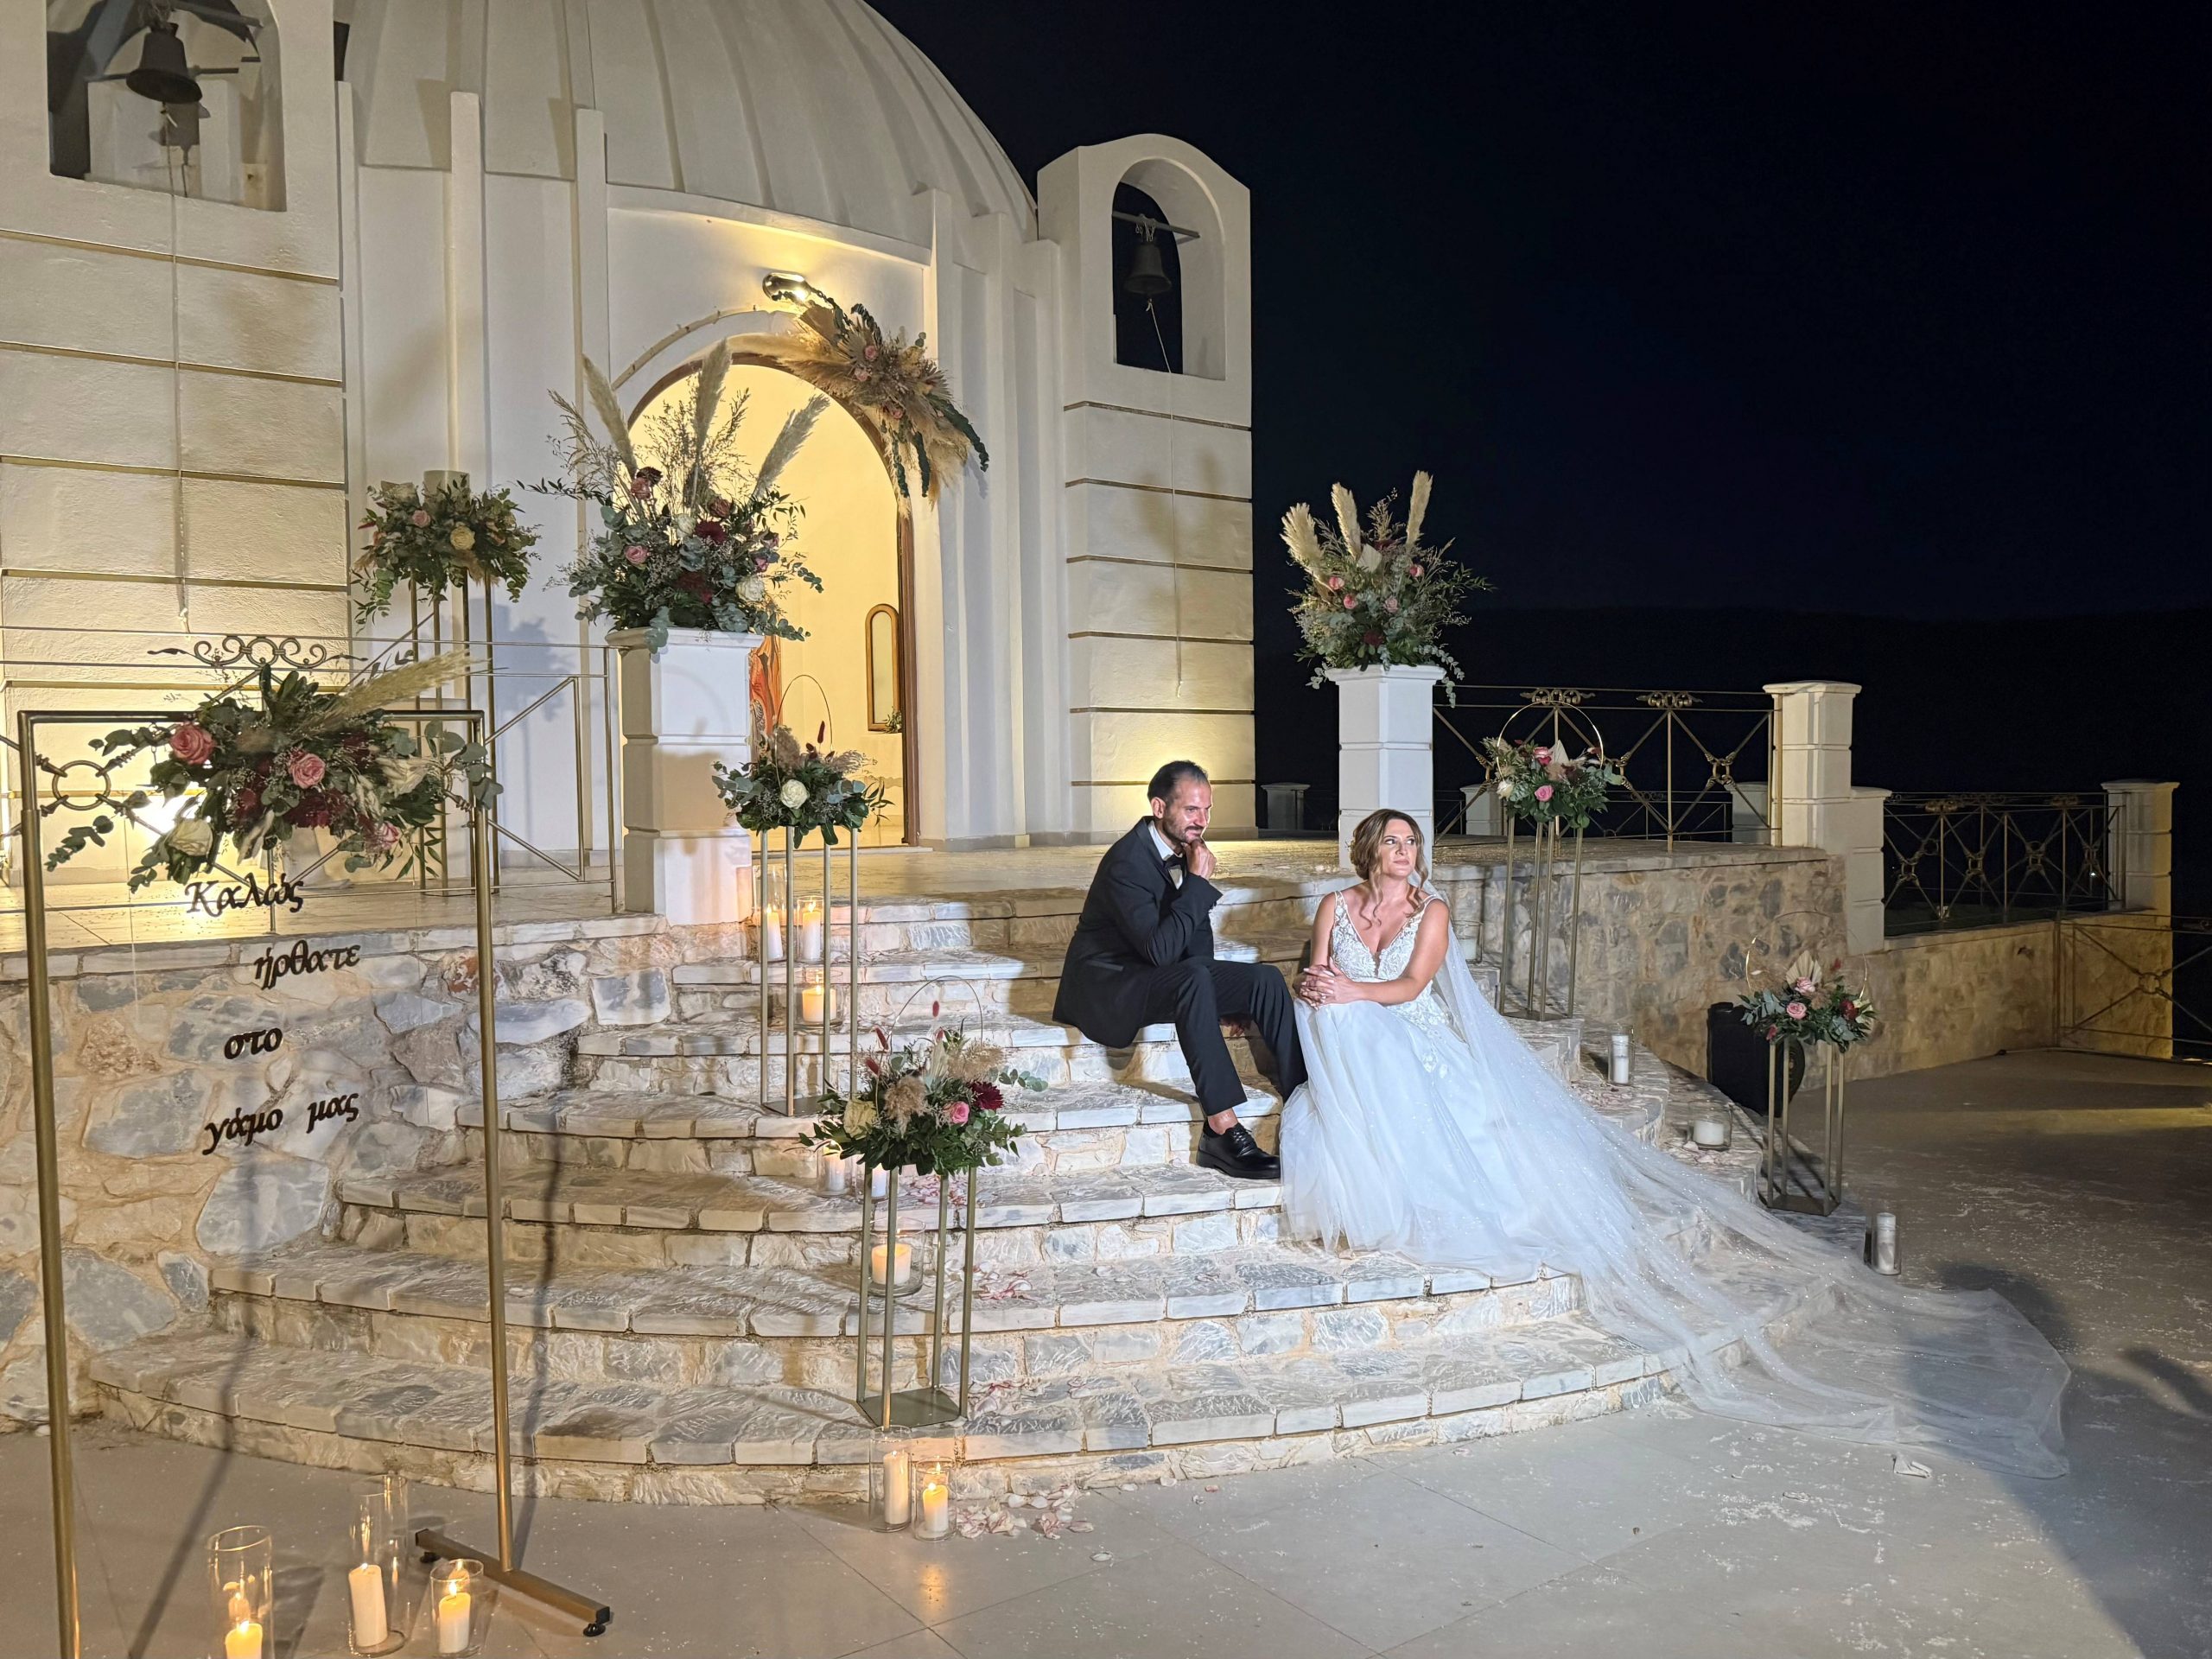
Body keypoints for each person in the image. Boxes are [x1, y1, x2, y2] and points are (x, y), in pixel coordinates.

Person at [1281, 807, 2070, 1478]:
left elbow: (1412, 988)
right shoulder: (1336, 908)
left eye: (1412, 842)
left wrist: (1350, 990)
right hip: (1353, 1030)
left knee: (1369, 1026)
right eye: (1393, 842)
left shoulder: (1432, 913)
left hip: (1412, 1033)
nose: (1405, 852)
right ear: (1368, 851)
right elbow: (1314, 974)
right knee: (1337, 1023)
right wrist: (1324, 988)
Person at [1054, 761, 1304, 1179]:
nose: (1202, 821)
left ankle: (1304, 1098)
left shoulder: (1184, 851)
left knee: (1264, 980)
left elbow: (1195, 935)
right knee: (1193, 979)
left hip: (1157, 973)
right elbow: (1160, 950)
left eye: (1206, 810)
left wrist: (1221, 998)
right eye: (1191, 810)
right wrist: (1197, 884)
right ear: (1159, 808)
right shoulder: (1126, 863)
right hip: (1112, 983)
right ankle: (1220, 1129)